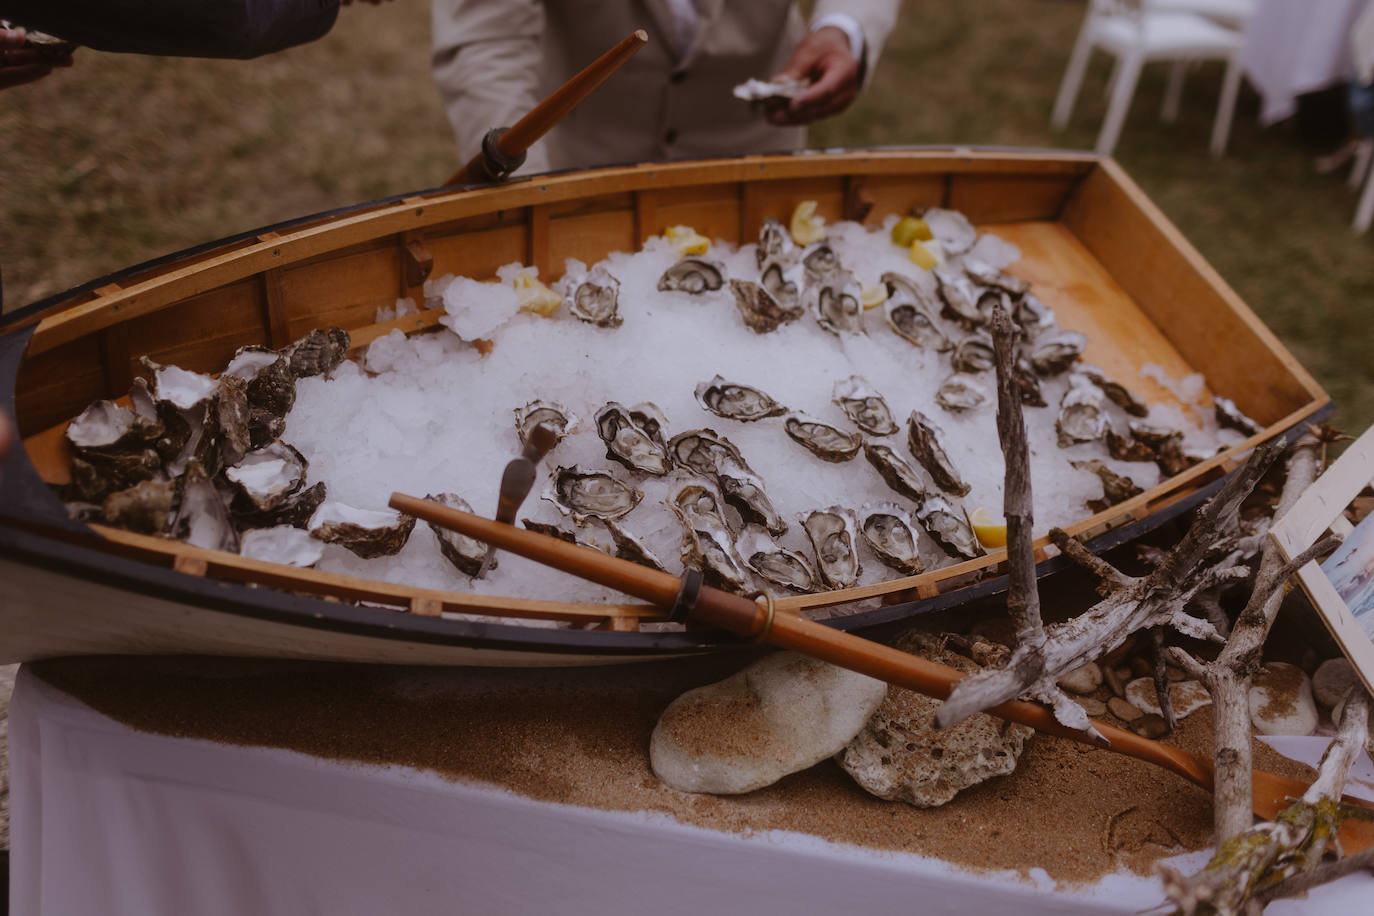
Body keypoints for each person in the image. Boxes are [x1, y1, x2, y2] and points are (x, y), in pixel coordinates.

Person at [431, 0, 899, 175]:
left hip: (752, 154)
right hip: (579, 161)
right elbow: (488, 39)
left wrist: (845, 26)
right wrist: (524, 183)